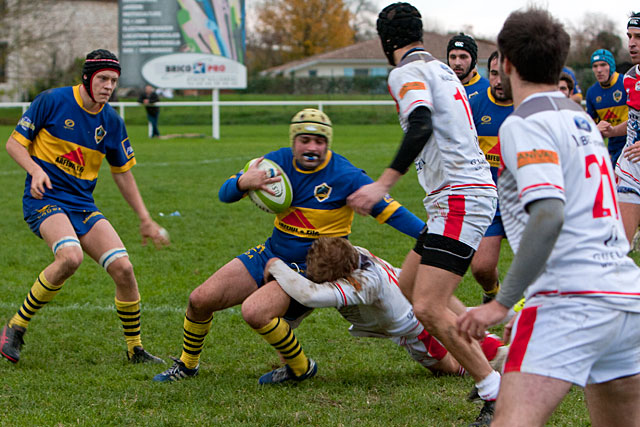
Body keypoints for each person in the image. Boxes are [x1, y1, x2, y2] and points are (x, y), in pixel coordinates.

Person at [457, 9, 640, 426]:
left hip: (571, 301)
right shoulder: (582, 122)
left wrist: (501, 304)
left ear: (505, 63)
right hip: (626, 300)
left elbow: (550, 214)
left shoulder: (524, 124)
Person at [152, 108, 425, 382]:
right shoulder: (276, 164)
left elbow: (396, 214)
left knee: (256, 311)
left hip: (314, 266)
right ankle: (187, 365)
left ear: (327, 144)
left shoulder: (346, 176)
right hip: (273, 251)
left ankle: (299, 367)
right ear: (294, 141)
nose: (312, 147)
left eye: (319, 141)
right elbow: (225, 194)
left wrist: (431, 239)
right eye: (304, 140)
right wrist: (242, 182)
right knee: (199, 300)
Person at [348, 4, 500, 425]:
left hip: (459, 196)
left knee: (428, 308)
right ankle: (488, 347)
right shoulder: (443, 68)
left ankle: (495, 391)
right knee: (411, 284)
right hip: (456, 195)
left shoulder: (404, 73)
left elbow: (420, 124)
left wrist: (382, 184)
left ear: (385, 41)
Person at [1, 49, 169, 365]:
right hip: (45, 200)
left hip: (82, 205)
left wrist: (144, 218)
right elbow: (13, 144)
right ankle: (15, 326)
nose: (108, 86)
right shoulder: (51, 101)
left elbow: (123, 174)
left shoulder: (111, 122)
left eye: (114, 81)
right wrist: (36, 170)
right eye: (103, 78)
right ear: (87, 77)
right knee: (70, 256)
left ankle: (135, 349)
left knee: (124, 269)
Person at [241, 237, 507, 382]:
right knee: (452, 321)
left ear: (342, 277)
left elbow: (309, 295)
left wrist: (276, 265)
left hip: (412, 327)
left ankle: (503, 355)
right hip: (406, 293)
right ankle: (503, 328)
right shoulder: (351, 252)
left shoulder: (360, 284)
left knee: (448, 367)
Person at [469, 51, 514, 303]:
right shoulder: (474, 106)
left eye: (504, 75)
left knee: (539, 264)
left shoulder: (527, 106)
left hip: (524, 201)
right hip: (490, 201)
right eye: (493, 74)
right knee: (481, 268)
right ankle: (493, 294)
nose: (498, 81)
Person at [601, 13, 640, 246]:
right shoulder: (629, 77)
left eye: (638, 37)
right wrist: (614, 131)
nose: (632, 43)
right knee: (618, 246)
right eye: (629, 36)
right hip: (631, 168)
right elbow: (635, 121)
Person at [585, 49, 628, 165]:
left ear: (611, 66)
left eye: (603, 65)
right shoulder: (592, 92)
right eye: (595, 66)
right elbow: (590, 126)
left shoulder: (626, 82)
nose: (599, 70)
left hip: (631, 145)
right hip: (612, 148)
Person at [447, 32, 490, 100]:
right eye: (453, 57)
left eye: (463, 57)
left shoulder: (488, 89)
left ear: (474, 60)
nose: (457, 63)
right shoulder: (441, 87)